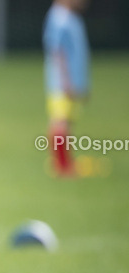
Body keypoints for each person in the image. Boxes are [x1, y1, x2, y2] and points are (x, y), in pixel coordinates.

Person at [44, 0, 90, 177]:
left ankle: (66, 163)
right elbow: (58, 52)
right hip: (62, 84)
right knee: (60, 122)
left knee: (68, 122)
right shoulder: (58, 18)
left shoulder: (72, 18)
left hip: (73, 82)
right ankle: (61, 166)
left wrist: (82, 83)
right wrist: (66, 81)